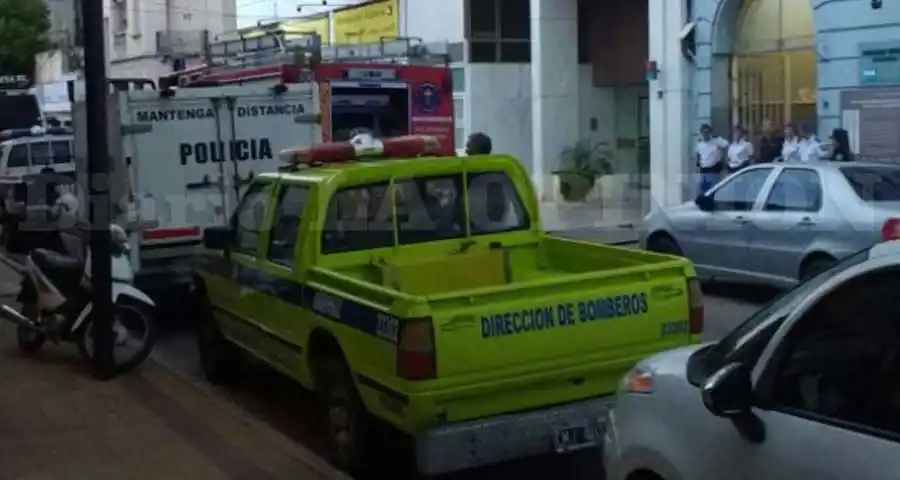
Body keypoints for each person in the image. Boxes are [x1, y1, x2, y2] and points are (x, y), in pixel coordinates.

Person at [695, 124, 729, 194]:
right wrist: (698, 162)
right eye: (704, 132)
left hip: (714, 168)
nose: (705, 134)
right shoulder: (700, 144)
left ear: (710, 132)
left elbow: (726, 145)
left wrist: (723, 158)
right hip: (703, 168)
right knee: (703, 188)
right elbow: (698, 154)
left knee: (712, 188)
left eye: (707, 132)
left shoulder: (716, 141)